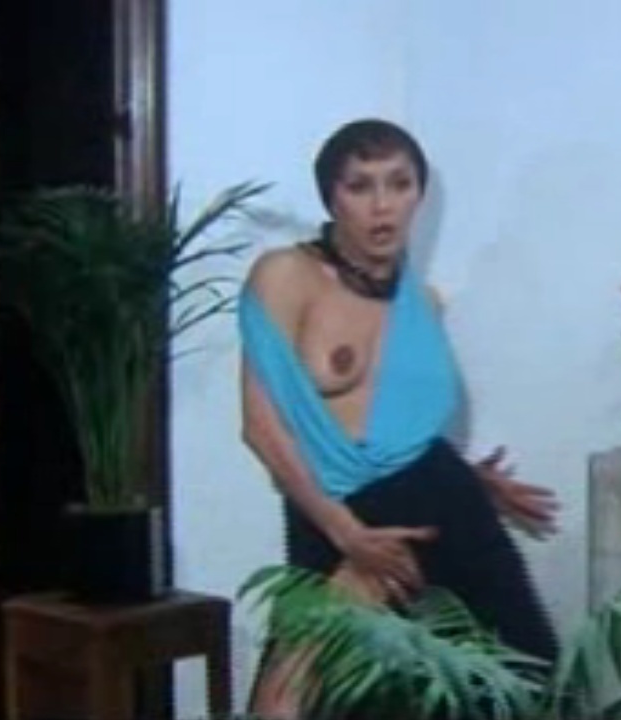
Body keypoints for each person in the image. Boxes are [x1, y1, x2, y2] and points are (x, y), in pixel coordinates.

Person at [237, 118, 560, 718]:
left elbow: (396, 431)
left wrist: (473, 479)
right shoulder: (286, 276)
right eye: (360, 186)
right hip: (343, 517)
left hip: (445, 506)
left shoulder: (423, 302)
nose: (382, 205)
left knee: (523, 681)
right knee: (288, 703)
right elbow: (261, 427)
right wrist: (346, 534)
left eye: (399, 183)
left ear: (419, 194)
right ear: (331, 198)